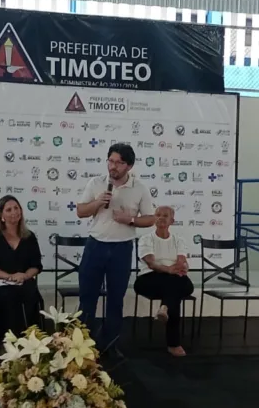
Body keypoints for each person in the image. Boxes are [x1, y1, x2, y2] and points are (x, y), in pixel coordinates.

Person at [75, 143, 155, 355]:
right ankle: (81, 346)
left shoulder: (139, 188)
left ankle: (110, 345)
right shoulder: (96, 183)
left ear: (129, 166)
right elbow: (81, 211)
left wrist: (130, 219)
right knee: (87, 298)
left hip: (121, 249)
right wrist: (97, 203)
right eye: (110, 161)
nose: (113, 166)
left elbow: (150, 219)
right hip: (95, 246)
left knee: (115, 299)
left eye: (119, 163)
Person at [0, 195, 44, 353]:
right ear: (1, 215)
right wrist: (8, 277)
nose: (14, 212)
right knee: (6, 296)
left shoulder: (29, 237)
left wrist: (25, 276)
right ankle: (1, 343)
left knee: (32, 294)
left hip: (22, 279)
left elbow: (36, 266)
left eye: (16, 208)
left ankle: (32, 341)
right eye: (9, 210)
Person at [134, 206, 194, 357]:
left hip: (172, 277)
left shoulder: (178, 240)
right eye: (158, 214)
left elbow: (181, 261)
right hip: (149, 278)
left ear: (172, 221)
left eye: (165, 215)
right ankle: (173, 344)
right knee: (174, 288)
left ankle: (165, 307)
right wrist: (169, 269)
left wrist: (181, 267)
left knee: (181, 286)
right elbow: (151, 263)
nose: (161, 217)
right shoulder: (146, 239)